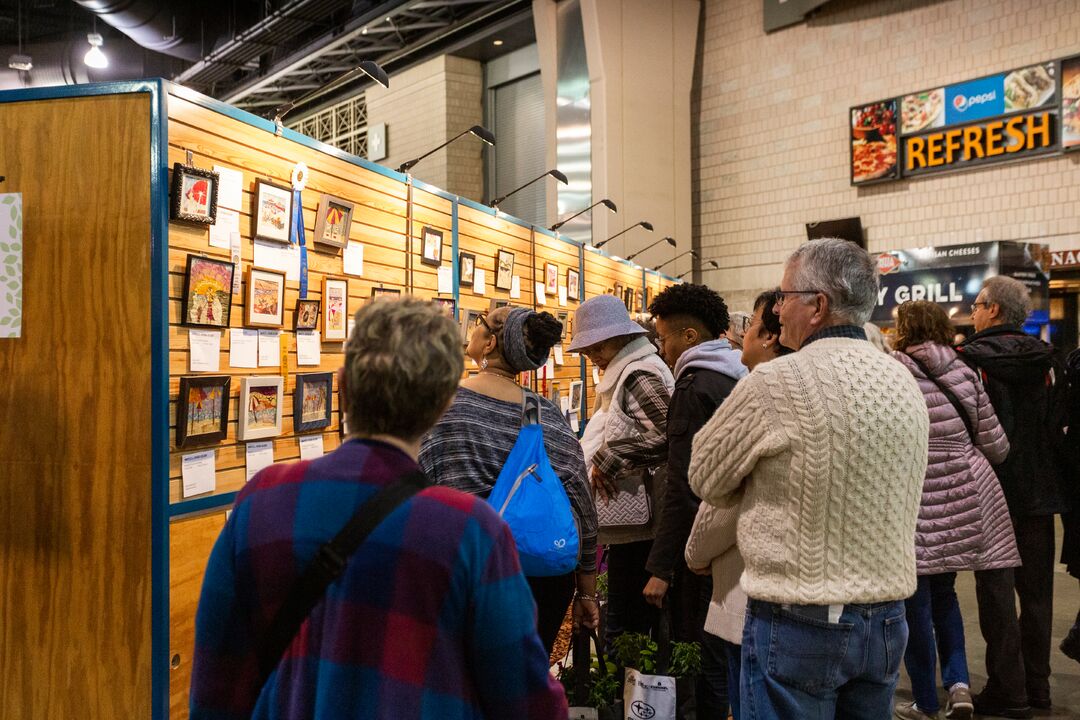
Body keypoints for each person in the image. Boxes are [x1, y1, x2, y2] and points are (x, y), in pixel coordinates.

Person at [189, 298, 567, 719]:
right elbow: (524, 698)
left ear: (343, 385)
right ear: (444, 403)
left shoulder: (262, 500)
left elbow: (216, 681)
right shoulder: (471, 531)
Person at [688, 238, 930, 719]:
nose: (777, 311)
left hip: (798, 619)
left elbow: (704, 475)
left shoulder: (777, 382)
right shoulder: (902, 379)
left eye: (784, 297)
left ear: (818, 305)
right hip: (885, 619)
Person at [419, 306, 599, 652]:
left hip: (465, 573)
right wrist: (587, 591)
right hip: (539, 578)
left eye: (480, 324)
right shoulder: (543, 413)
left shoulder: (439, 405)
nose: (472, 329)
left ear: (488, 344)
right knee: (524, 688)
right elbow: (582, 504)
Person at [890, 300, 1020, 720]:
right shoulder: (964, 370)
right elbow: (997, 445)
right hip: (962, 498)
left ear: (905, 330)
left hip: (912, 498)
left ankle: (926, 701)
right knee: (945, 596)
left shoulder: (893, 371)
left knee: (916, 603)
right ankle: (960, 687)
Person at [957, 275, 1068, 715]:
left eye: (978, 305)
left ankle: (1009, 689)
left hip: (992, 493)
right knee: (1038, 595)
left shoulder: (969, 362)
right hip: (1041, 495)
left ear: (995, 311)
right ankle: (1037, 686)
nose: (973, 312)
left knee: (996, 594)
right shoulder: (1050, 362)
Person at [684, 289, 792, 720]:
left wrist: (696, 551)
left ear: (767, 336)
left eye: (749, 326)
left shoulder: (761, 389)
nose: (739, 334)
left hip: (748, 588)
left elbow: (719, 492)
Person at [645, 283, 748, 718]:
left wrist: (661, 567)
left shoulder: (693, 387)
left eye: (664, 338)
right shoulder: (736, 375)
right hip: (738, 539)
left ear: (689, 337)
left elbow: (684, 486)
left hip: (702, 549)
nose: (661, 349)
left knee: (704, 660)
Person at [570, 294, 673, 647]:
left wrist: (612, 455)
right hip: (639, 525)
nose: (592, 355)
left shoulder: (637, 375)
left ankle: (627, 699)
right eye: (586, 349)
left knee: (622, 626)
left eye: (597, 345)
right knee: (625, 623)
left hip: (644, 529)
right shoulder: (631, 371)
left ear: (622, 338)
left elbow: (670, 435)